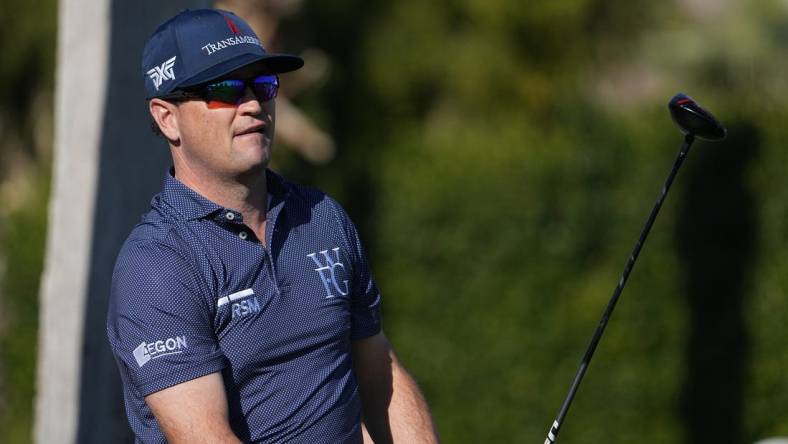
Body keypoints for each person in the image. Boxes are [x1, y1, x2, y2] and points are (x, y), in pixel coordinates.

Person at [106, 8, 439, 444]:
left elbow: (382, 379)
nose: (252, 105)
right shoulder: (157, 266)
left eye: (262, 85)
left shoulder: (323, 217)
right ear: (167, 117)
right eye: (225, 89)